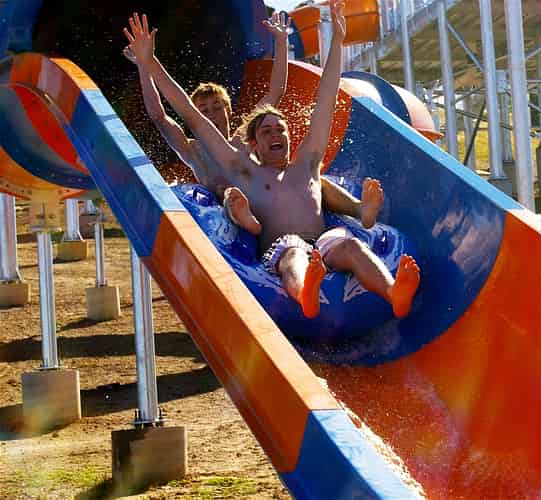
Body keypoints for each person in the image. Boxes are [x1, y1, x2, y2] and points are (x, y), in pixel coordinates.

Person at [123, 5, 420, 319]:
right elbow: (188, 114)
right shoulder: (242, 170)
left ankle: (393, 292)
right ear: (254, 144)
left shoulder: (306, 162)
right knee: (293, 255)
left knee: (351, 246)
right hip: (282, 244)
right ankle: (305, 292)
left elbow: (326, 98)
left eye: (281, 129)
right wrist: (149, 62)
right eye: (267, 131)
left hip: (324, 240)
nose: (276, 134)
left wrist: (337, 40)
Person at [122, 12, 382, 231]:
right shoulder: (193, 149)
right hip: (230, 210)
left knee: (311, 178)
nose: (211, 114)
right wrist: (145, 66)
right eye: (204, 110)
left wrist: (281, 42)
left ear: (229, 110)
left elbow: (276, 92)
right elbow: (158, 116)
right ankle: (243, 216)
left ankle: (358, 209)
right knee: (228, 191)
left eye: (217, 107)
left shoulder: (243, 137)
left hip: (264, 205)